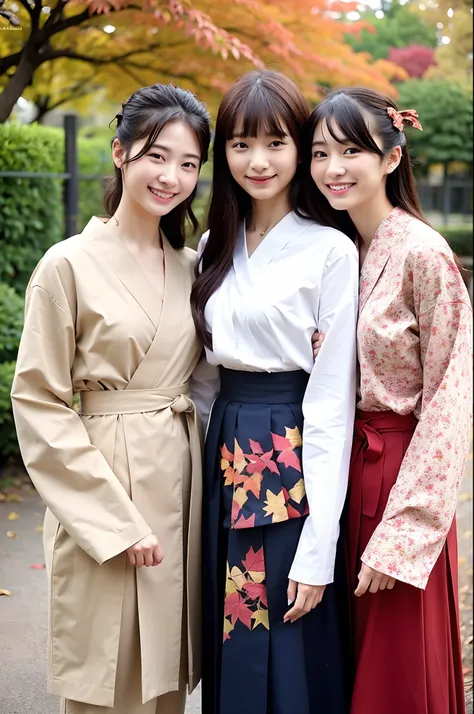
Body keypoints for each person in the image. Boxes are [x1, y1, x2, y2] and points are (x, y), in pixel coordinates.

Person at [11, 84, 211, 714]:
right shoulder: (66, 265)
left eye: (188, 163)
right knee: (108, 671)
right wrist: (109, 519)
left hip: (181, 477)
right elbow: (39, 399)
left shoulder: (191, 267)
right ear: (122, 153)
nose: (171, 176)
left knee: (167, 675)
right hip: (106, 480)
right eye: (157, 155)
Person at [190, 69, 359, 714]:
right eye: (240, 144)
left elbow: (333, 402)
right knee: (233, 618)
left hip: (292, 442)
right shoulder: (212, 246)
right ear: (223, 152)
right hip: (225, 447)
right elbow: (202, 382)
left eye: (276, 142)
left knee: (289, 619)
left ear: (300, 147)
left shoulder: (330, 251)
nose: (257, 161)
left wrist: (321, 542)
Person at [308, 87, 472, 714]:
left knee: (395, 672)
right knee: (343, 658)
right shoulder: (336, 248)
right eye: (321, 152)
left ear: (392, 158)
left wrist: (408, 529)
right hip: (341, 466)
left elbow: (452, 398)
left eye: (352, 150)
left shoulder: (424, 253)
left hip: (403, 472)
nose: (333, 168)